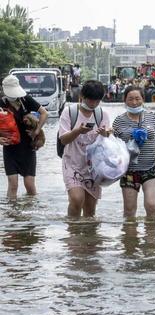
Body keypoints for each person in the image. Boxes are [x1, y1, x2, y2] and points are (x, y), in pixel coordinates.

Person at [58, 80, 111, 217]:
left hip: (94, 168)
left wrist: (105, 134)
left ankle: (89, 237)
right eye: (90, 100)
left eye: (97, 101)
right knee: (76, 199)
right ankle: (73, 232)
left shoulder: (102, 114)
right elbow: (63, 139)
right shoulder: (69, 112)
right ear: (82, 96)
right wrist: (78, 131)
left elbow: (106, 141)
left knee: (90, 208)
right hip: (72, 164)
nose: (93, 104)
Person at [112, 86, 155, 218]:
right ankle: (130, 238)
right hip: (129, 170)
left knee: (151, 205)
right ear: (124, 100)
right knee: (129, 210)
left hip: (151, 168)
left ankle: (152, 238)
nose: (134, 102)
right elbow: (112, 145)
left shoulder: (152, 117)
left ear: (143, 99)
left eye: (137, 98)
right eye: (130, 99)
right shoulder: (118, 121)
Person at [0, 75, 48, 198]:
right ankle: (12, 213)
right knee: (13, 184)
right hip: (10, 148)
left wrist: (37, 130)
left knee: (30, 185)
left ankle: (31, 213)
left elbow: (44, 113)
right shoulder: (1, 102)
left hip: (28, 147)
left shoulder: (25, 99)